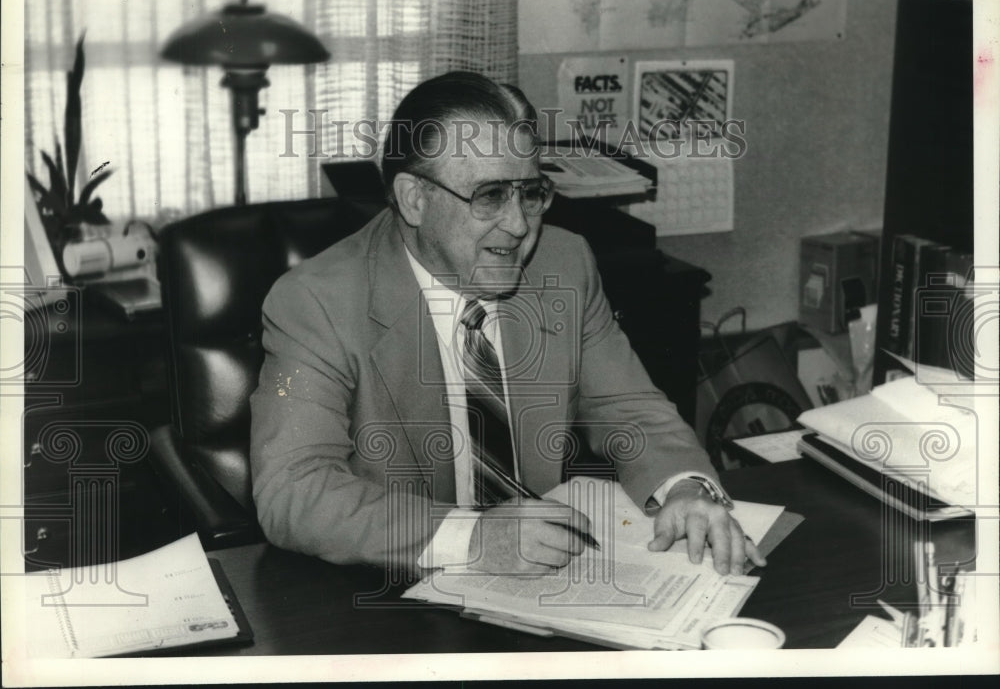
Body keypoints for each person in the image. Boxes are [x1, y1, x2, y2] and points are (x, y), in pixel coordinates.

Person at [249, 71, 765, 578]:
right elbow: (294, 490)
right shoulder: (317, 302)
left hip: (540, 581)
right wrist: (472, 538)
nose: (519, 225)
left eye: (531, 192)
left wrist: (684, 487)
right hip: (390, 590)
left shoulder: (563, 263)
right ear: (413, 198)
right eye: (490, 196)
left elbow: (627, 409)